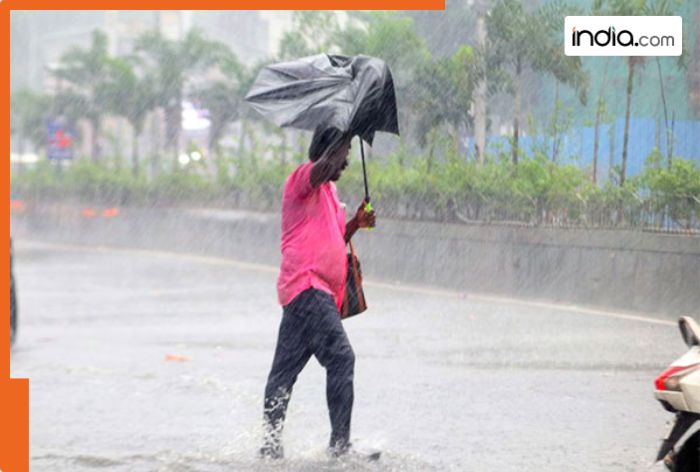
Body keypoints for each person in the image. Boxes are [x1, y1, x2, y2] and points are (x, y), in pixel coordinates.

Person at [260, 126, 376, 460]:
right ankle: (340, 449)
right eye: (344, 155)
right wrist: (347, 133)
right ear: (328, 151)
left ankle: (269, 448)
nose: (347, 164)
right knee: (341, 358)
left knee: (283, 375)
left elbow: (333, 240)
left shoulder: (330, 197)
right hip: (309, 289)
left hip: (308, 294)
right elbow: (323, 167)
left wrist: (355, 223)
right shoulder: (301, 181)